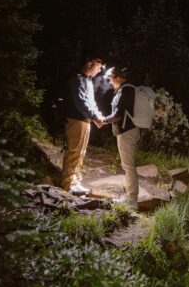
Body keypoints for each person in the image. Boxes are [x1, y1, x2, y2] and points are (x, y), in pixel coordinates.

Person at [60, 55, 106, 195]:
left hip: (86, 121)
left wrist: (98, 116)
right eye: (98, 66)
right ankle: (68, 183)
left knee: (81, 152)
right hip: (76, 120)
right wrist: (94, 116)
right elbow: (80, 101)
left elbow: (91, 103)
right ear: (89, 63)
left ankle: (75, 181)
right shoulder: (77, 79)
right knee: (74, 151)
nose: (99, 70)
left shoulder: (88, 81)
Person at [105, 66, 141, 209]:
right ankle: (130, 197)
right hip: (128, 131)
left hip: (127, 132)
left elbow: (118, 114)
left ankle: (132, 201)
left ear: (118, 77)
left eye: (110, 78)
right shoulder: (125, 89)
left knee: (128, 166)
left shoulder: (126, 90)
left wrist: (104, 120)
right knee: (127, 165)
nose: (109, 82)